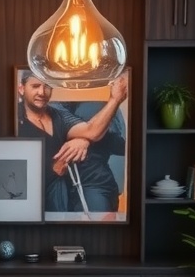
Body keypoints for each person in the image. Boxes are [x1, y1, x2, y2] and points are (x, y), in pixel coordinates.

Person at [17, 71, 128, 215]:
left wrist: (84, 139)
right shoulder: (15, 119)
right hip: (29, 199)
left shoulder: (57, 114)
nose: (42, 92)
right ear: (22, 89)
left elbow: (91, 131)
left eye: (47, 86)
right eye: (35, 86)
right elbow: (11, 173)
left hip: (62, 195)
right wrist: (52, 170)